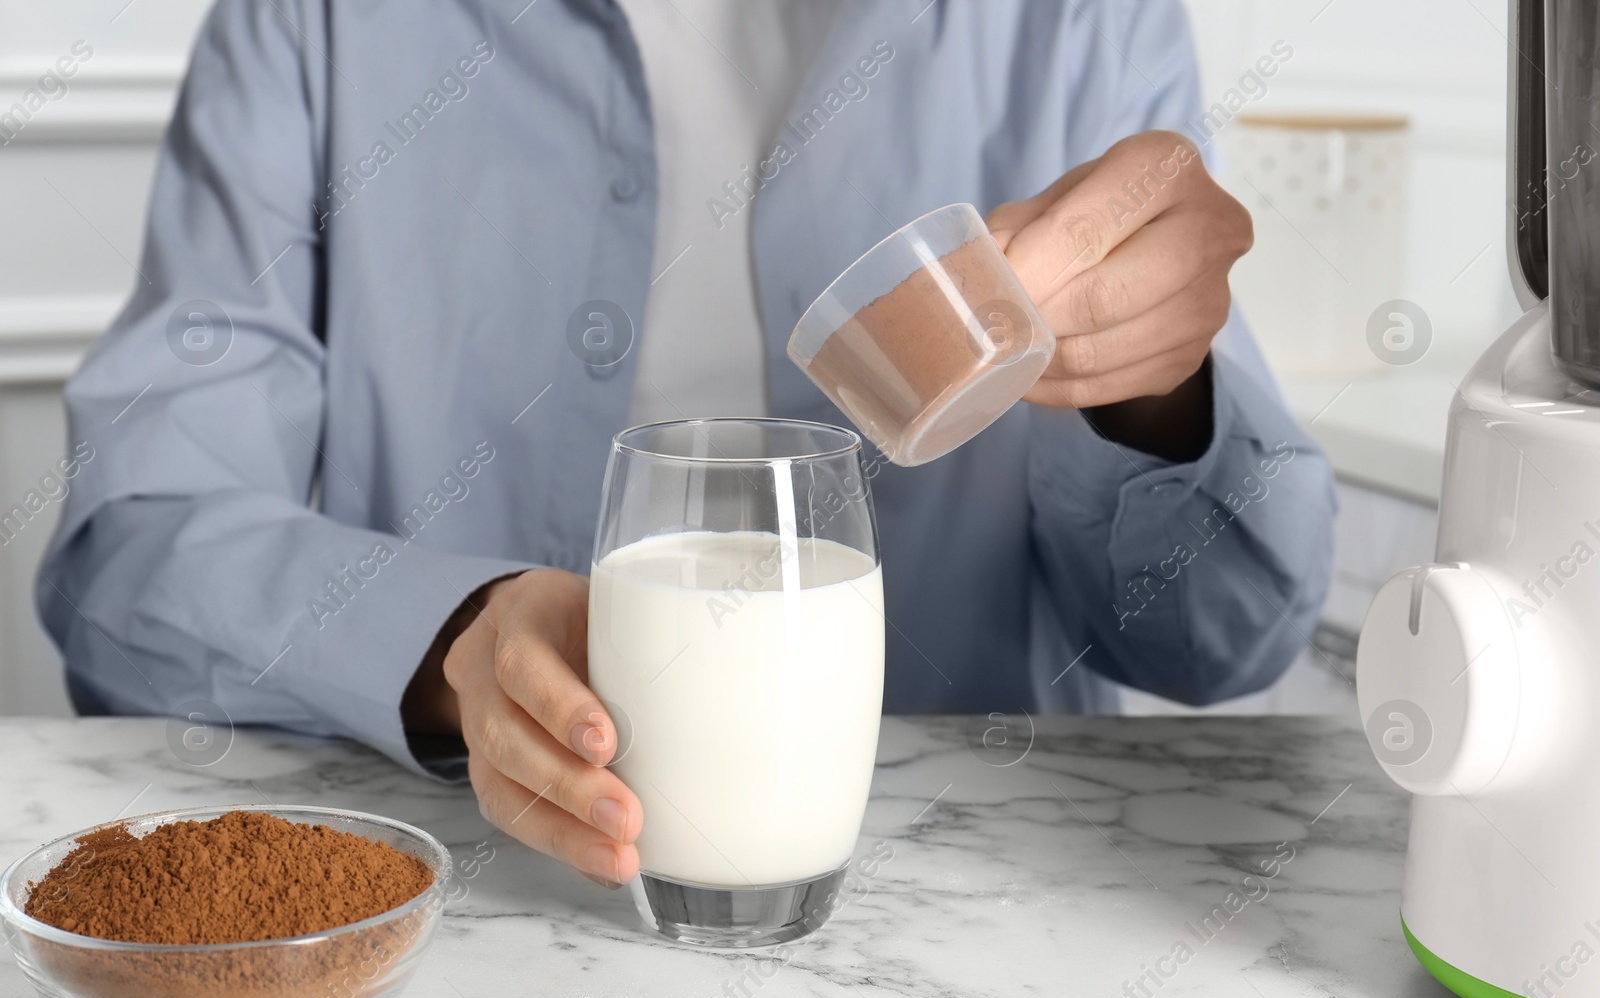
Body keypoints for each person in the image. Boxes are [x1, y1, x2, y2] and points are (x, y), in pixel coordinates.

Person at [38, 0, 1335, 888]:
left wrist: (1152, 394)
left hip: (985, 907)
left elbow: (1223, 634)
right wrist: (453, 646)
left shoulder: (1069, 21)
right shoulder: (323, 24)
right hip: (485, 903)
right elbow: (129, 555)